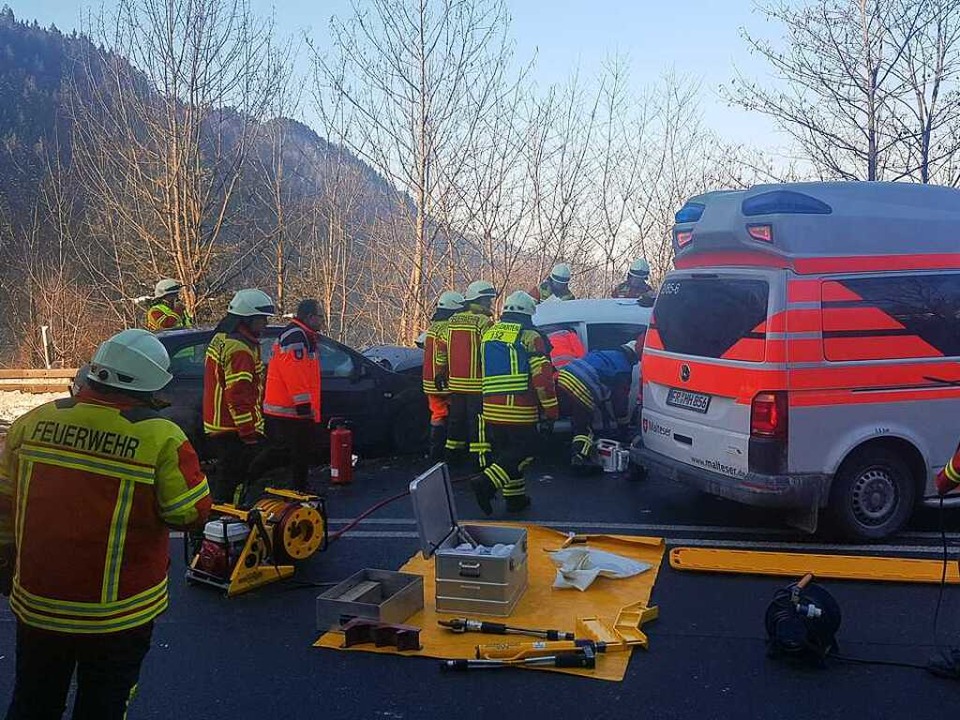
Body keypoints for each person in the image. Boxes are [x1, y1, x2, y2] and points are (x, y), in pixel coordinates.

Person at [0, 329, 211, 720]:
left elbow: (3, 505)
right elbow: (189, 512)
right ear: (149, 388)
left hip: (39, 605)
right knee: (103, 705)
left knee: (33, 701)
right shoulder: (161, 437)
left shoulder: (31, 423)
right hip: (118, 615)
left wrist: (5, 561)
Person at [473, 291, 558, 514]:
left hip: (490, 409)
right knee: (526, 450)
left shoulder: (490, 334)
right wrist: (551, 411)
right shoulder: (530, 336)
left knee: (507, 454)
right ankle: (486, 482)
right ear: (528, 313)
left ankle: (515, 499)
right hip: (519, 408)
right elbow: (542, 378)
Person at [203, 288, 275, 505]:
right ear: (248, 319)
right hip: (231, 427)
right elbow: (238, 396)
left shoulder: (223, 337)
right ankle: (221, 522)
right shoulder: (240, 349)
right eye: (262, 319)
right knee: (232, 478)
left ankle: (219, 520)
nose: (265, 324)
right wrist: (248, 433)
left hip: (218, 422)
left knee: (226, 476)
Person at [263, 299, 324, 492]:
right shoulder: (296, 337)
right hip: (289, 410)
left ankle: (298, 487)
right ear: (310, 317)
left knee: (296, 453)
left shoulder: (301, 335)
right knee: (292, 452)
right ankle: (296, 489)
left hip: (289, 409)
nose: (323, 322)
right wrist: (304, 406)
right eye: (321, 317)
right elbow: (295, 374)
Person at [556, 339, 640, 465]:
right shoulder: (623, 369)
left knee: (573, 415)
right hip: (581, 389)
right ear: (633, 358)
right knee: (584, 429)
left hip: (562, 378)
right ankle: (579, 458)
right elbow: (620, 402)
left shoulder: (604, 353)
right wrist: (623, 426)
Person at [444, 280, 497, 469]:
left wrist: (443, 371)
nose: (489, 303)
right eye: (487, 300)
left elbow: (444, 349)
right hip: (476, 383)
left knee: (456, 420)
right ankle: (480, 459)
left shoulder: (453, 321)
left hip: (456, 383)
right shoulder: (483, 322)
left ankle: (452, 456)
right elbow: (490, 351)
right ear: (479, 300)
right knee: (479, 422)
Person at [422, 291, 465, 460]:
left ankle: (434, 452)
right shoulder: (448, 329)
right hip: (444, 379)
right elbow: (446, 354)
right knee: (456, 414)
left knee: (437, 414)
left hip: (429, 380)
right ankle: (449, 451)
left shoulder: (433, 328)